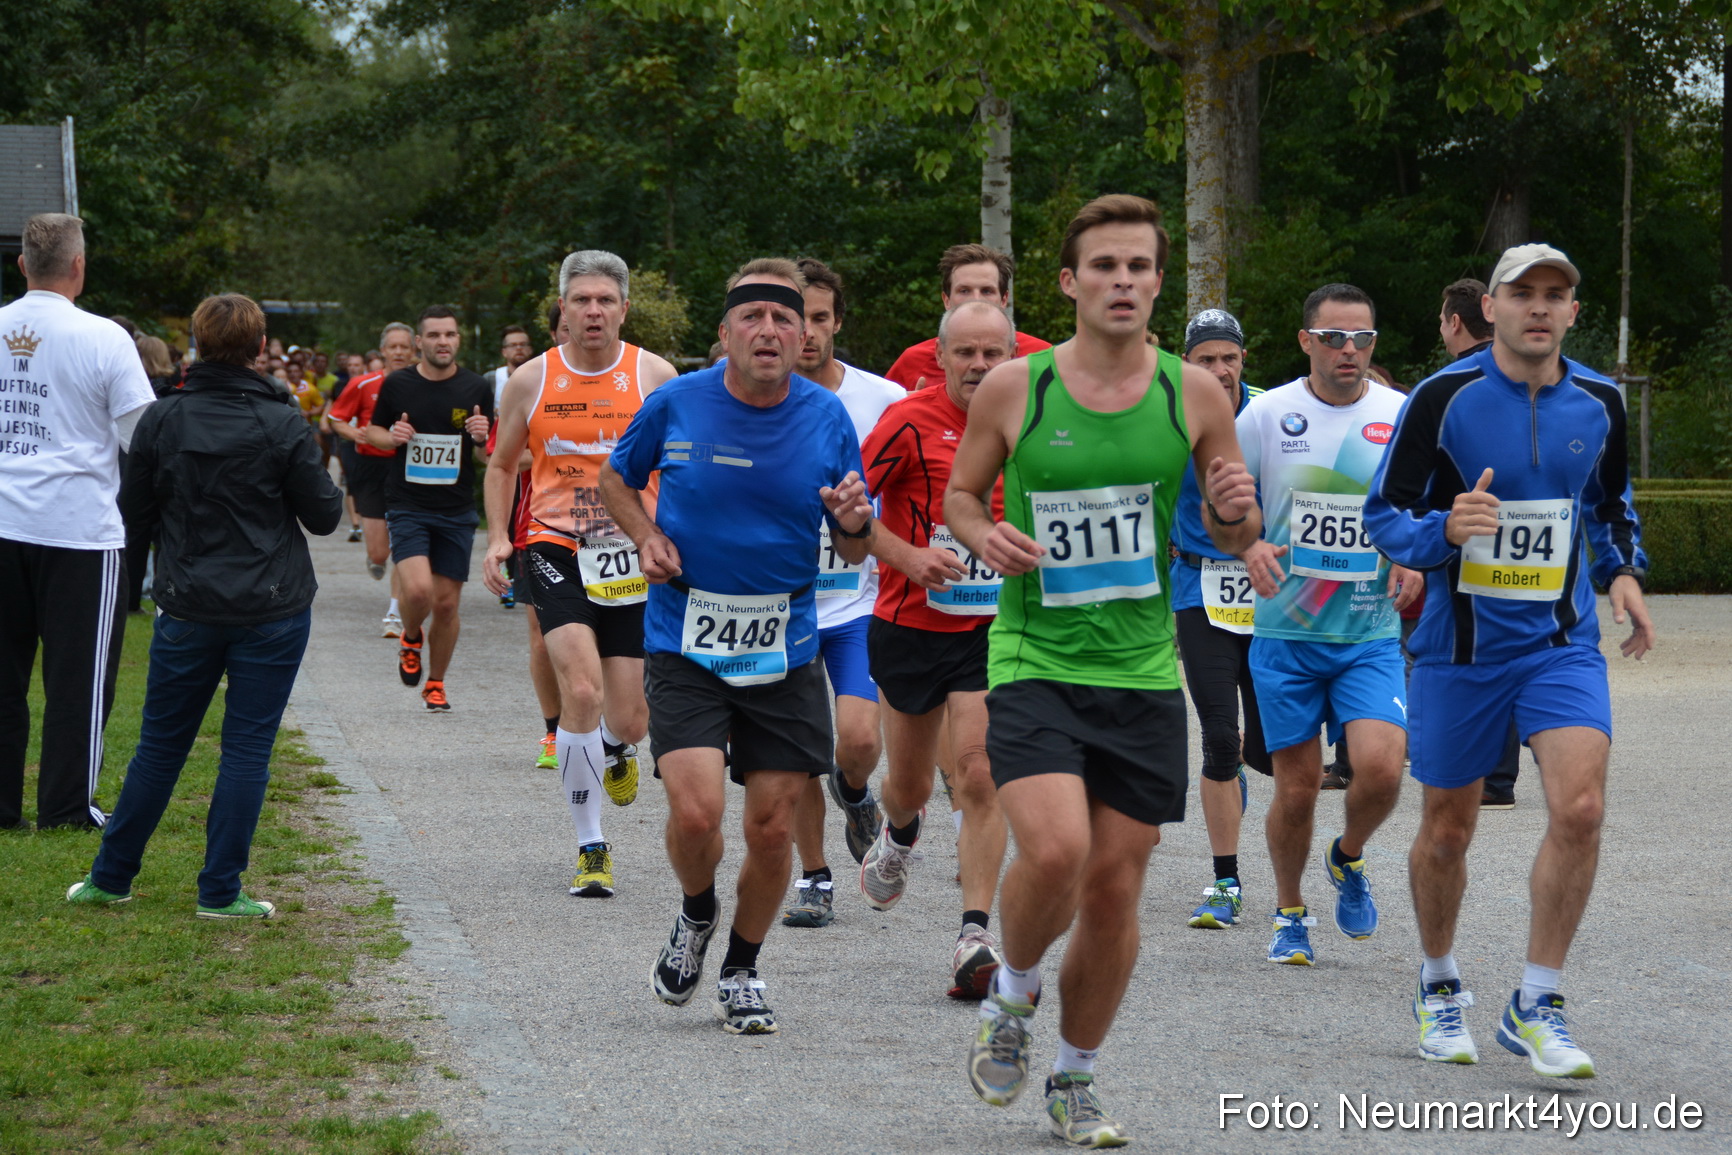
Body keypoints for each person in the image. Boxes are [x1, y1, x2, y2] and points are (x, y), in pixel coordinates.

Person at [945, 195, 1259, 1146]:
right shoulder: (1018, 387)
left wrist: (1238, 511)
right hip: (1035, 657)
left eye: (1139, 267)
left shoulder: (1194, 395)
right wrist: (984, 535)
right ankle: (1014, 990)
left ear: (1159, 282)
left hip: (1142, 671)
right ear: (1069, 282)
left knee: (1116, 889)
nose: (1123, 281)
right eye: (1105, 266)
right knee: (1056, 852)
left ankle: (1075, 1077)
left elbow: (1233, 527)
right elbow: (963, 496)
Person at [1365, 244, 1653, 1077]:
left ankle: (1537, 999)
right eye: (1522, 292)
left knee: (1581, 808)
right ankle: (1438, 981)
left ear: (1572, 312)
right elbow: (1384, 513)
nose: (1539, 306)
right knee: (1447, 831)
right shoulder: (1441, 397)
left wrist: (1622, 572)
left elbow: (1609, 502)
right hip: (1459, 650)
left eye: (1555, 294)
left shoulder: (1600, 400)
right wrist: (1442, 531)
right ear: (1489, 307)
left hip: (1560, 645)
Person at [600, 258, 872, 1036]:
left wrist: (855, 522)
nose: (770, 330)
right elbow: (617, 480)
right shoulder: (677, 402)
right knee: (696, 815)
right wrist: (646, 535)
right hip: (685, 638)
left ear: (805, 333)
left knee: (773, 827)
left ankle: (742, 968)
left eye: (787, 318)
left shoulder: (826, 418)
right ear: (725, 334)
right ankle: (696, 912)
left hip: (783, 647)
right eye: (752, 317)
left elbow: (854, 547)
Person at [65, 293, 343, 916]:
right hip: (271, 605)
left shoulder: (163, 418)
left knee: (161, 746)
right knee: (246, 749)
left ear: (198, 343)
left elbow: (132, 514)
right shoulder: (281, 421)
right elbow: (325, 514)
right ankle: (218, 891)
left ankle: (111, 877)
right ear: (259, 346)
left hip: (190, 602)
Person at [1231, 284, 1420, 969]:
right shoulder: (1265, 414)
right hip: (1286, 635)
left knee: (1383, 770)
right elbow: (1227, 505)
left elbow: (1419, 504)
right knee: (1298, 788)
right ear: (1306, 340)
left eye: (1362, 338)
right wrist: (1249, 543)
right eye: (1335, 337)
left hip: (1368, 632)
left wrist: (1414, 557)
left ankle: (1348, 854)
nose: (1349, 350)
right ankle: (1289, 912)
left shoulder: (1400, 412)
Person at [484, 251, 677, 897]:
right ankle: (591, 845)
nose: (593, 311)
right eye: (581, 300)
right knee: (583, 692)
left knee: (632, 719)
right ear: (562, 309)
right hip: (554, 545)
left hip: (630, 552)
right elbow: (501, 464)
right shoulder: (531, 379)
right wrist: (498, 538)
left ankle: (616, 749)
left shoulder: (655, 375)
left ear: (624, 308)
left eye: (605, 300)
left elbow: (682, 466)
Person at [856, 299, 1013, 997]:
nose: (979, 365)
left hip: (994, 629)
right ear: (941, 356)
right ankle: (897, 833)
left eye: (992, 353)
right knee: (911, 785)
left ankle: (974, 934)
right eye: (965, 353)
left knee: (979, 774)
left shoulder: (1034, 423)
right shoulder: (909, 419)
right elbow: (847, 512)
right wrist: (909, 557)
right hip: (911, 625)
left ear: (1011, 356)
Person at [0, 213, 156, 831]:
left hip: (3, 518)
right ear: (79, 266)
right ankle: (65, 809)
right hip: (78, 530)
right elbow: (142, 438)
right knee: (79, 680)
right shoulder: (104, 337)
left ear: (22, 265)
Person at [778, 257, 904, 930]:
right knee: (797, 753)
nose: (807, 333)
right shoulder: (751, 401)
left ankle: (854, 792)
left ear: (837, 324)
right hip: (780, 608)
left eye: (820, 318)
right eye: (796, 318)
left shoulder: (883, 399)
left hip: (857, 602)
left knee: (856, 742)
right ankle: (815, 876)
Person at [1169, 308, 1272, 930]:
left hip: (1268, 591)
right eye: (1205, 359)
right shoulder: (1167, 415)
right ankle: (1225, 881)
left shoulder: (1270, 414)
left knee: (1270, 751)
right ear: (1187, 363)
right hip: (1197, 587)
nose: (1218, 369)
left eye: (1228, 357)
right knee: (1217, 736)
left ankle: (1239, 772)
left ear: (1242, 360)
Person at [364, 306, 493, 710]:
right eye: (434, 335)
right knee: (419, 590)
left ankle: (435, 682)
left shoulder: (476, 387)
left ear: (458, 339)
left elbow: (485, 454)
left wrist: (481, 437)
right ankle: (411, 635)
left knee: (447, 604)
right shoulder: (398, 384)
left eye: (450, 334)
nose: (443, 342)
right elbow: (372, 431)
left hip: (456, 508)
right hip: (408, 505)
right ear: (419, 342)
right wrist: (392, 436)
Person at [1436, 278, 1524, 809]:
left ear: (1455, 322)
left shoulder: (1449, 386)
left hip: (1468, 529)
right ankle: (1500, 773)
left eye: (1441, 320)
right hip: (1531, 534)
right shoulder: (1529, 373)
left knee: (1468, 650)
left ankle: (1482, 771)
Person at [330, 322, 416, 631]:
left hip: (409, 469)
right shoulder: (363, 384)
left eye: (404, 347)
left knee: (405, 542)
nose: (399, 352)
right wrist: (355, 433)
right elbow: (336, 419)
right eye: (393, 347)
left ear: (414, 350)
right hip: (371, 469)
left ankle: (394, 612)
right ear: (383, 351)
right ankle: (377, 559)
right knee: (380, 552)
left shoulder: (424, 383)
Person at [884, 244, 1050, 391]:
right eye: (964, 291)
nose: (976, 299)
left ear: (1004, 299)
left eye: (987, 291)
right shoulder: (913, 362)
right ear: (946, 300)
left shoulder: (1041, 357)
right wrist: (910, 407)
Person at [491, 325, 534, 411]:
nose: (518, 348)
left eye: (523, 344)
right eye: (513, 345)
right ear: (504, 352)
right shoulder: (492, 379)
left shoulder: (541, 377)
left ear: (530, 350)